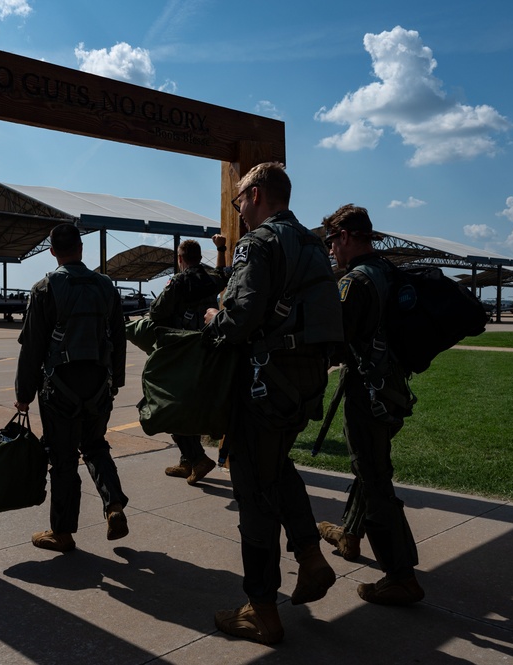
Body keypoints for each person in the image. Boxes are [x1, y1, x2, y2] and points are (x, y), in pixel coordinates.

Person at [203, 162, 343, 645]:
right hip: (302, 385)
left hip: (264, 386)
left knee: (253, 492)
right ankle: (309, 556)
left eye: (240, 199)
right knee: (277, 468)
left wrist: (212, 317)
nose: (238, 209)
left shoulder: (259, 243)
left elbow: (239, 319)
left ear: (257, 194)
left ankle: (261, 609)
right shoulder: (312, 246)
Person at [319, 204, 424, 605]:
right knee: (372, 466)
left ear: (345, 236)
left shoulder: (356, 282)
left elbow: (336, 342)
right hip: (393, 387)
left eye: (331, 241)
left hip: (369, 392)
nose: (331, 249)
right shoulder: (387, 272)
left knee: (373, 476)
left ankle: (400, 575)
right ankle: (349, 532)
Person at [14, 223, 130, 553]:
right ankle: (114, 505)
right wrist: (116, 381)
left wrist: (24, 393)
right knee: (95, 446)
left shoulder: (45, 288)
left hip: (59, 388)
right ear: (81, 248)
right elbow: (118, 338)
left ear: (52, 252)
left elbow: (32, 348)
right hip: (99, 385)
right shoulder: (106, 286)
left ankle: (62, 532)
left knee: (63, 459)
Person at [148, 237, 229, 485]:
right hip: (208, 350)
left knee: (168, 405)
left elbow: (156, 312)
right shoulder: (211, 278)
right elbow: (223, 273)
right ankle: (187, 461)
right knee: (190, 404)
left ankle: (197, 458)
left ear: (180, 259)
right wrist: (221, 249)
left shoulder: (179, 281)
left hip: (182, 351)